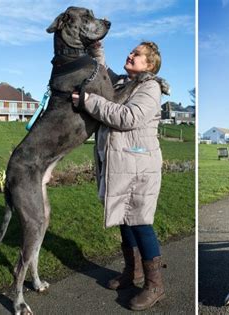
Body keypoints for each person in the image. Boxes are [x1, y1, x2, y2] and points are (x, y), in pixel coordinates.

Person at [72, 41, 169, 311]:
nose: (130, 54)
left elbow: (128, 117)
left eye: (136, 54)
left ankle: (154, 285)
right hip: (120, 164)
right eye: (130, 51)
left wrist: (89, 101)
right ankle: (133, 272)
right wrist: (97, 49)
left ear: (149, 65)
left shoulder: (149, 88)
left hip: (139, 166)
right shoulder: (123, 84)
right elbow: (104, 73)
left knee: (140, 222)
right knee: (124, 219)